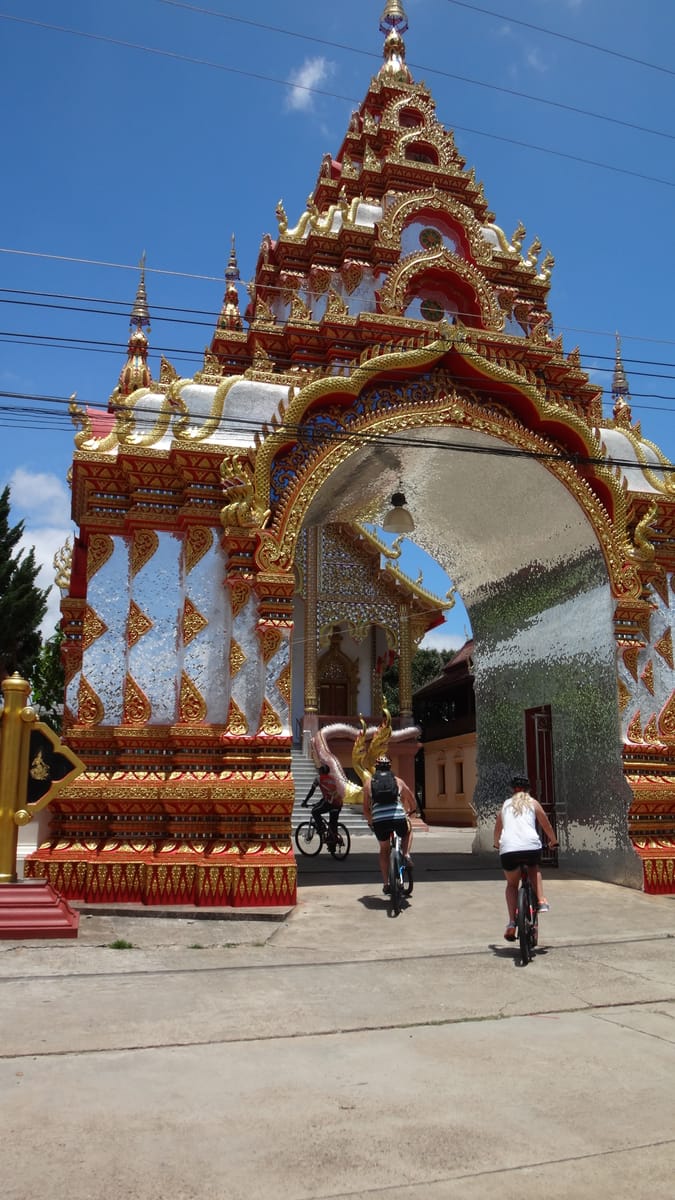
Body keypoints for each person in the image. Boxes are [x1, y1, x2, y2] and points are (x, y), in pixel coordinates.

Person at [493, 774, 559, 942]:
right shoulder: (533, 803)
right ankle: (542, 900)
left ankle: (511, 923)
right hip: (530, 848)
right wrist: (553, 841)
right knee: (534, 868)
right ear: (528, 789)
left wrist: (496, 844)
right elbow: (546, 825)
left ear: (512, 790)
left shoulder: (505, 805)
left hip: (508, 850)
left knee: (511, 885)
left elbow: (497, 830)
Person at [363, 755, 416, 895]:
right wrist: (412, 811)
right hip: (397, 817)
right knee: (408, 829)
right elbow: (412, 800)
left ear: (376, 767)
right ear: (390, 767)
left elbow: (365, 809)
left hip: (379, 820)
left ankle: (386, 883)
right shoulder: (398, 781)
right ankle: (406, 854)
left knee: (384, 850)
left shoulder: (369, 783)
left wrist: (371, 822)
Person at [302, 763, 342, 848]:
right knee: (333, 824)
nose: (318, 770)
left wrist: (305, 801)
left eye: (319, 769)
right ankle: (332, 844)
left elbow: (311, 791)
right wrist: (319, 803)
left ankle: (321, 827)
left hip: (330, 802)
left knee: (315, 811)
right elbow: (329, 793)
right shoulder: (332, 778)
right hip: (338, 802)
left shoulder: (318, 778)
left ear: (322, 771)